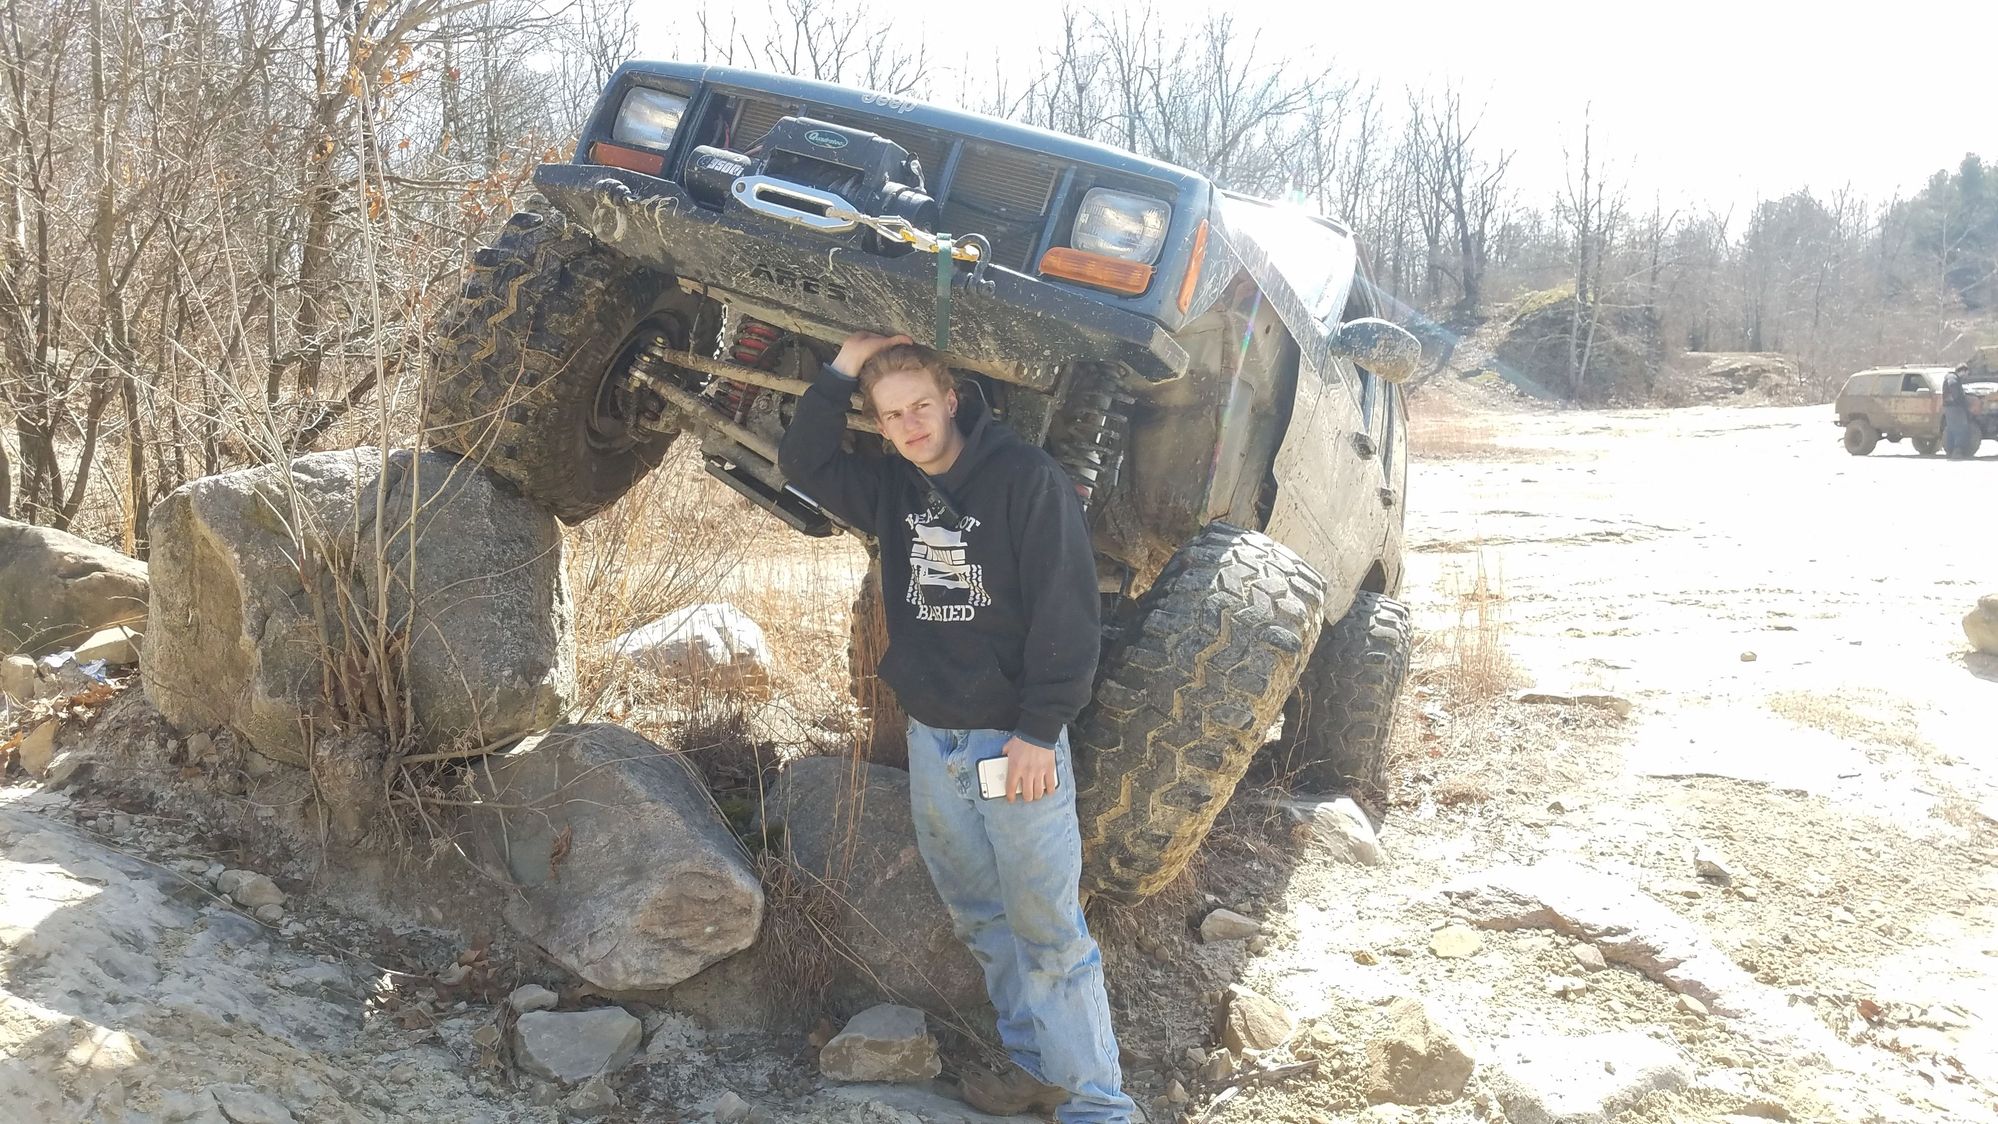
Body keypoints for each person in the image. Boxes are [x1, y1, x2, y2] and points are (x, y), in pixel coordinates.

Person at [778, 331, 1136, 1123]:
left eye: (919, 406)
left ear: (950, 401)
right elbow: (802, 463)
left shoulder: (1025, 479)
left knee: (1048, 930)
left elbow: (1069, 615)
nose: (909, 425)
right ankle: (1035, 1070)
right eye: (890, 415)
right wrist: (843, 368)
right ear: (879, 424)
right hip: (932, 738)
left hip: (1011, 742)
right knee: (981, 917)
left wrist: (1039, 732)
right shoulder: (892, 488)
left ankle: (1098, 1108)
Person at [1942, 364, 1978, 459]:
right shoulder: (1953, 378)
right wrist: (1961, 401)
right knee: (1960, 429)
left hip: (1950, 407)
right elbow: (1954, 388)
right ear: (1962, 371)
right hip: (1955, 407)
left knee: (1951, 429)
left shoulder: (1951, 377)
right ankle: (1957, 451)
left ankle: (1950, 452)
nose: (1966, 376)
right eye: (1966, 373)